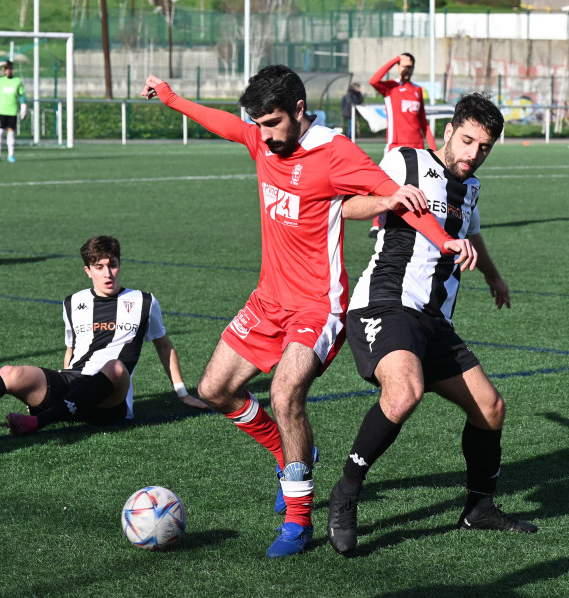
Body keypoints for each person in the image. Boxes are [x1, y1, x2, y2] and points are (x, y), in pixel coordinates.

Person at [141, 66, 475, 558]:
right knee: (213, 390)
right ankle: (288, 453)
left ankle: (298, 521)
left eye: (273, 122)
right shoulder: (261, 137)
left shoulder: (335, 152)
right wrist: (170, 99)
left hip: (319, 306)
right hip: (267, 300)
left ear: (300, 110)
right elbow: (221, 122)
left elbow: (402, 199)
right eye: (258, 123)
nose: (264, 133)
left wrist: (445, 240)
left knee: (284, 392)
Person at [327, 92, 537, 556]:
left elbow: (470, 232)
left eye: (483, 147)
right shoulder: (406, 160)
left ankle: (478, 508)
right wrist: (388, 197)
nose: (472, 154)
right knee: (403, 392)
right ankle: (346, 492)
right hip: (385, 303)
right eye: (467, 141)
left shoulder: (471, 187)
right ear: (448, 131)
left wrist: (495, 276)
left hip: (434, 321)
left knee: (491, 409)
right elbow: (346, 205)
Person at [0, 235, 207, 436]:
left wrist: (182, 393)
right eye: (99, 267)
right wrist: (48, 387)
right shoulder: (73, 303)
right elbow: (71, 351)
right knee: (10, 373)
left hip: (110, 400)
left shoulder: (144, 301)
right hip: (71, 384)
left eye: (113, 265)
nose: (108, 274)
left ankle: (39, 422)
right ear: (87, 270)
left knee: (116, 367)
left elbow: (164, 346)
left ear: (120, 264)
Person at [368, 53, 437, 238]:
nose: (407, 69)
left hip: (417, 147)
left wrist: (433, 147)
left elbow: (423, 122)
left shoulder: (417, 90)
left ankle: (422, 222)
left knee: (421, 188)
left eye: (410, 66)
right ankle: (377, 223)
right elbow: (373, 80)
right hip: (395, 146)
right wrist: (394, 59)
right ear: (398, 67)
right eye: (403, 65)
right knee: (384, 186)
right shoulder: (389, 87)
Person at [0, 59, 27, 163]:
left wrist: (23, 107)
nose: (8, 71)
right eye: (6, 69)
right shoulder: (0, 80)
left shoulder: (17, 81)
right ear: (4, 70)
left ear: (12, 69)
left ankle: (11, 155)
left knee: (11, 133)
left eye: (10, 68)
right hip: (1, 111)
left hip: (12, 111)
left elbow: (21, 94)